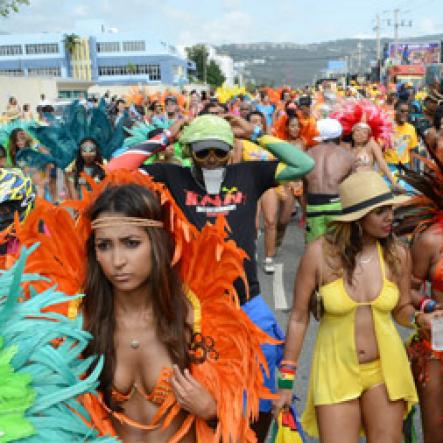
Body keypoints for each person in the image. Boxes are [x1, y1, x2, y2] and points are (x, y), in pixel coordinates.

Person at [2, 170, 274, 442]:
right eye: (104, 246)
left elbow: (241, 426)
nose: (117, 260)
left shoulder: (196, 315)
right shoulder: (78, 321)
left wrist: (212, 410)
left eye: (131, 243)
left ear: (157, 244)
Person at [107, 114, 315, 441]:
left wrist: (256, 134)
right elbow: (115, 169)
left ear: (232, 151)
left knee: (259, 400)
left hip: (248, 305)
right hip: (196, 310)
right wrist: (166, 137)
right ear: (189, 152)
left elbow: (303, 165)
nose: (212, 161)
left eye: (220, 152)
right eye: (203, 153)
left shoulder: (248, 173)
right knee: (197, 400)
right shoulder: (172, 176)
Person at [273, 170, 440, 442]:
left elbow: (401, 308)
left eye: (390, 209)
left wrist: (419, 319)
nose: (390, 218)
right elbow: (299, 318)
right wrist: (286, 381)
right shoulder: (319, 254)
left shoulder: (397, 253)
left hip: (385, 371)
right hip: (334, 369)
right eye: (380, 212)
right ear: (357, 218)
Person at [395, 151, 443, 443]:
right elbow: (405, 291)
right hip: (438, 343)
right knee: (435, 429)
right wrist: (428, 306)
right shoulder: (431, 240)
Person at [303, 118, 354, 243]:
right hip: (336, 204)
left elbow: (305, 184)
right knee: (338, 246)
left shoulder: (308, 154)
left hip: (314, 204)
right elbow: (351, 187)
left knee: (314, 247)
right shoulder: (346, 156)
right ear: (339, 135)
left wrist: (305, 208)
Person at [384, 100, 419, 174]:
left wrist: (412, 170)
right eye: (402, 111)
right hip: (389, 166)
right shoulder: (387, 126)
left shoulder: (411, 128)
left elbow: (412, 150)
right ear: (395, 111)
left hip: (405, 166)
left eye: (407, 111)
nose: (405, 114)